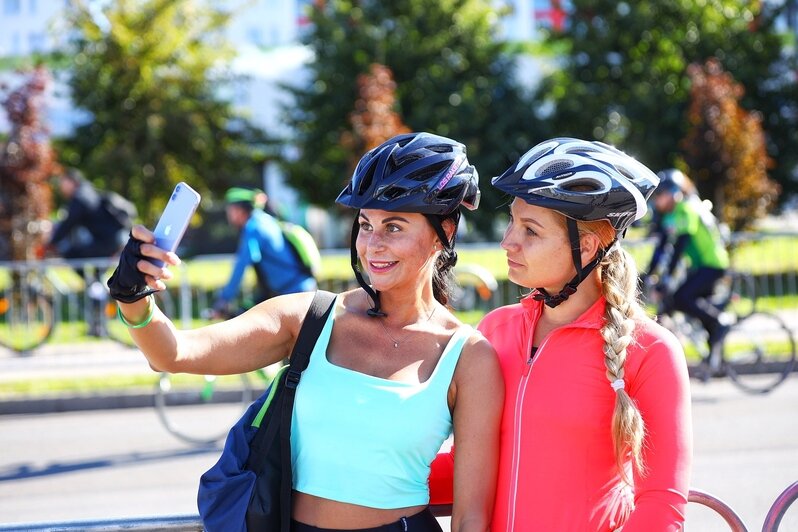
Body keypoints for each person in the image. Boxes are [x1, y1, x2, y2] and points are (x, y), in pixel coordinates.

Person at [107, 132, 504, 532]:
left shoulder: (468, 356)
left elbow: (471, 517)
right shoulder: (309, 317)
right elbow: (174, 353)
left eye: (395, 227)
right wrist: (133, 295)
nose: (373, 245)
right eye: (366, 225)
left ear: (446, 232)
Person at [429, 138, 693, 530]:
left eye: (530, 230)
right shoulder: (494, 331)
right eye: (512, 222)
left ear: (585, 246)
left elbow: (661, 506)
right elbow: (468, 468)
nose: (508, 241)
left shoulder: (650, 350)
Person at [645, 168, 732, 350]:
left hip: (712, 264)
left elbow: (679, 246)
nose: (657, 200)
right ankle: (715, 357)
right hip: (700, 266)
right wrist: (648, 273)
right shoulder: (671, 215)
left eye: (661, 194)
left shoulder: (686, 208)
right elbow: (661, 247)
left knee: (681, 298)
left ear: (674, 193)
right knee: (686, 303)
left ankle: (720, 322)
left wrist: (667, 278)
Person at [47, 168, 134, 336]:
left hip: (106, 243)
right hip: (110, 242)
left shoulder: (80, 197)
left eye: (62, 183)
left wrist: (50, 244)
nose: (61, 188)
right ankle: (98, 320)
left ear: (72, 181)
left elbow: (68, 224)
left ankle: (92, 286)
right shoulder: (88, 192)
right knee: (95, 280)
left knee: (70, 254)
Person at [212, 186, 317, 316]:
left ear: (240, 210)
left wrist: (224, 299)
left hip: (294, 295)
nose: (228, 215)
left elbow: (241, 265)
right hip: (302, 289)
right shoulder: (266, 220)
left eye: (230, 210)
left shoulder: (254, 228)